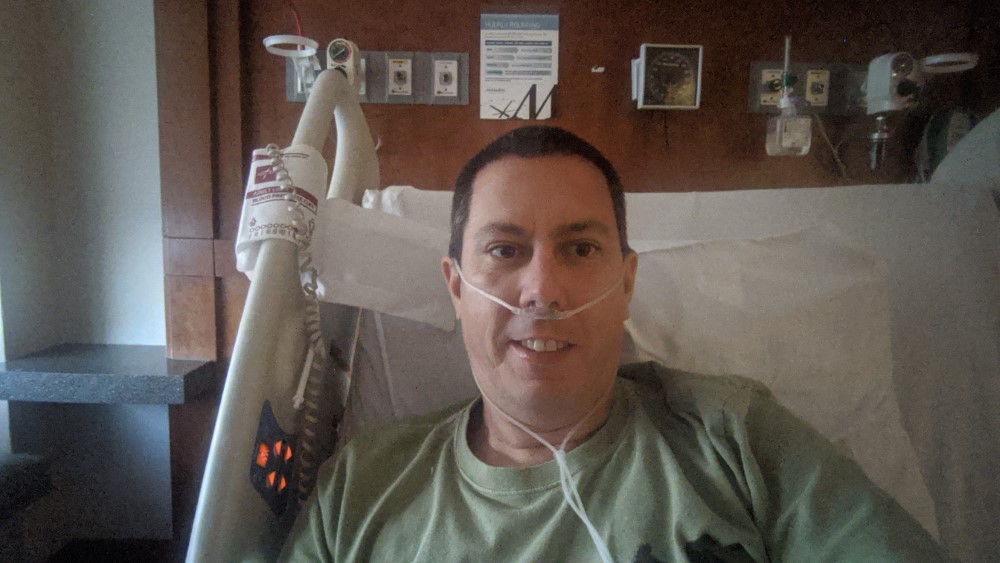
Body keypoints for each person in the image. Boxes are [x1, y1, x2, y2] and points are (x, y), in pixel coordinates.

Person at [280, 126, 947, 562]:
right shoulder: (362, 490)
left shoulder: (734, 441)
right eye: (505, 249)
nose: (542, 290)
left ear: (626, 283)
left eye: (579, 248)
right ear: (456, 287)